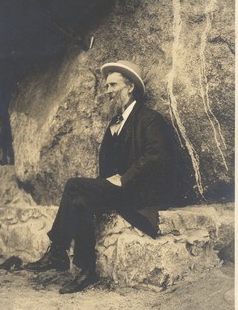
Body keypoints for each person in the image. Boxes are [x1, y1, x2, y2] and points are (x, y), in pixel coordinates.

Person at [24, 60, 176, 294]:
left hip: (142, 193)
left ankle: (57, 251)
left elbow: (156, 156)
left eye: (113, 85)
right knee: (80, 201)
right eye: (107, 86)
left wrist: (124, 179)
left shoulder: (149, 118)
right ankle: (87, 271)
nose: (109, 91)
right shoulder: (114, 123)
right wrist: (108, 181)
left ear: (130, 87)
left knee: (73, 185)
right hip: (121, 191)